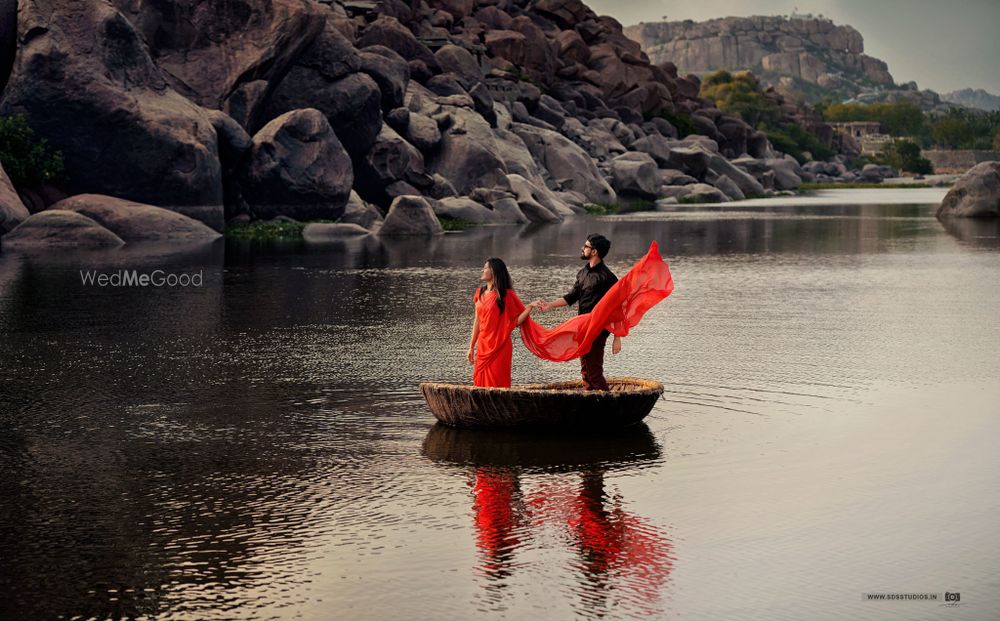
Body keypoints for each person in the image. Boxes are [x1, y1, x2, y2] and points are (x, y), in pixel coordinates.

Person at [534, 234, 619, 391]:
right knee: (585, 372)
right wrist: (549, 305)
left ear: (594, 252)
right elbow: (571, 297)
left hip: (598, 330)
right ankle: (591, 405)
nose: (582, 248)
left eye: (586, 246)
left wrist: (617, 338)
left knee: (594, 373)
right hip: (582, 327)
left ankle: (609, 407)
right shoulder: (582, 273)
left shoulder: (608, 277)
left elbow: (618, 307)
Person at [467, 258, 537, 387]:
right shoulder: (479, 293)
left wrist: (530, 307)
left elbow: (516, 322)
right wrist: (471, 346)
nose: (483, 270)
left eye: (486, 267)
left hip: (500, 346)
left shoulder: (506, 295)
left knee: (498, 384)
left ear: (494, 271)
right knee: (480, 383)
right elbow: (477, 321)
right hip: (483, 346)